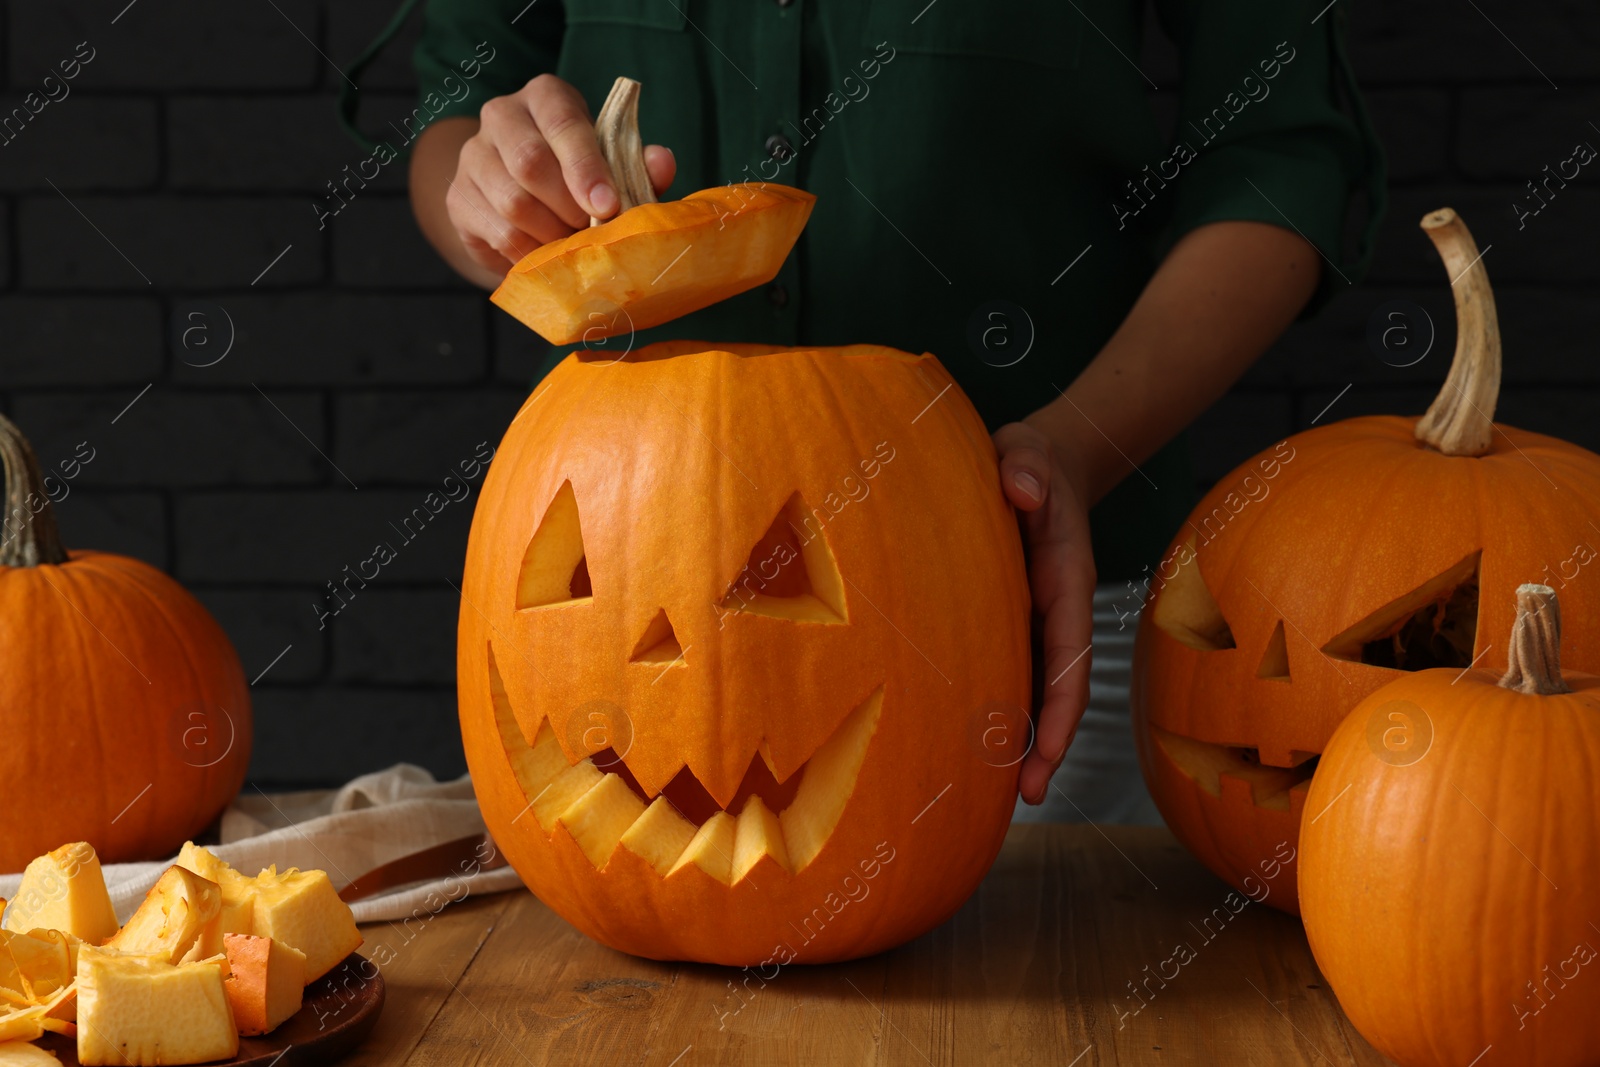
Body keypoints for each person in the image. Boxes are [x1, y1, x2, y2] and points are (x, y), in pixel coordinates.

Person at [354, 0, 1383, 823]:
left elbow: (1279, 155)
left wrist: (1077, 448)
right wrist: (494, 188)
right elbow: (456, 102)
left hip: (1020, 602)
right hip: (602, 616)